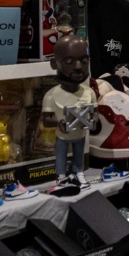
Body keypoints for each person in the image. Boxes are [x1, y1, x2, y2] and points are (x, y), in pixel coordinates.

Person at [41, 31, 96, 188]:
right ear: (54, 64)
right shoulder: (51, 96)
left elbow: (94, 114)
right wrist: (59, 123)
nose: (78, 67)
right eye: (69, 62)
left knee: (79, 155)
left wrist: (93, 121)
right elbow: (47, 120)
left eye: (84, 61)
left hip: (80, 135)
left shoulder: (89, 92)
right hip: (62, 137)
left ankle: (78, 173)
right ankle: (61, 176)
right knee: (61, 156)